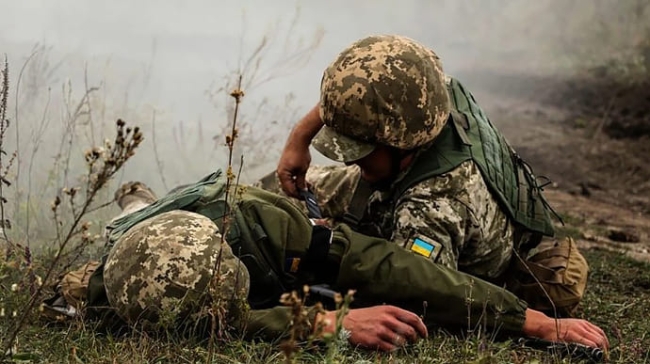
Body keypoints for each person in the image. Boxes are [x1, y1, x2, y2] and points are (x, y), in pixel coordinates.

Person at [254, 34, 608, 347]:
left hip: (442, 233)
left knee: (295, 237)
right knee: (271, 195)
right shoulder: (425, 92)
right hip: (400, 177)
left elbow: (419, 293)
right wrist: (299, 139)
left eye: (361, 151)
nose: (351, 162)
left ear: (400, 140)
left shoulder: (432, 207)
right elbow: (361, 89)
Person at [83, 168, 607, 353]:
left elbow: (388, 266)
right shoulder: (106, 292)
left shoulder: (269, 227)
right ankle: (136, 197)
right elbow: (226, 321)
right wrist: (319, 323)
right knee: (138, 208)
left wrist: (527, 320)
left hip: (242, 218)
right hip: (144, 240)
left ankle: (139, 193)